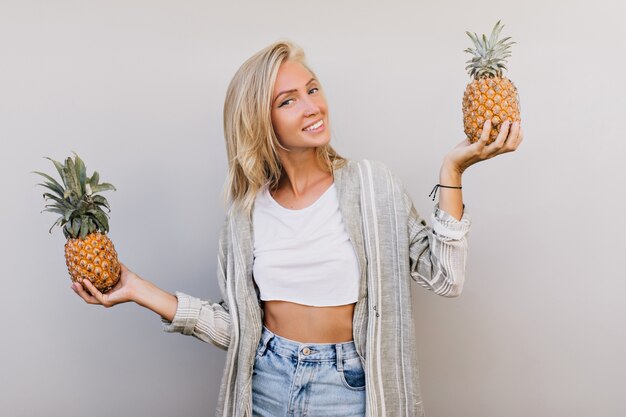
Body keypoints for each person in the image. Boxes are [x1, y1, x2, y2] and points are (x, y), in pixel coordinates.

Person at [71, 40, 523, 417]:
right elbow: (240, 331)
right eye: (288, 101)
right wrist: (136, 288)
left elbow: (446, 277)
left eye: (312, 89)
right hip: (265, 384)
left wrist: (453, 169)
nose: (312, 106)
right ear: (260, 122)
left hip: (348, 388)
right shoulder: (245, 214)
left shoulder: (372, 184)